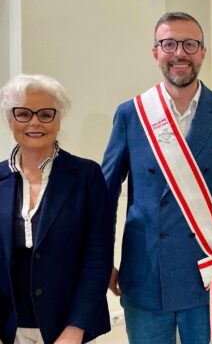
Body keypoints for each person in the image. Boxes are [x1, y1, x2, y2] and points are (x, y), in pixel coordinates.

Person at [102, 12, 212, 343]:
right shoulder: (131, 114)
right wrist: (102, 262)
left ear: (203, 53)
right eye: (169, 44)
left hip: (207, 276)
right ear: (155, 53)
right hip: (145, 274)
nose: (180, 53)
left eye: (190, 44)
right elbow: (104, 197)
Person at [0, 74, 113, 344]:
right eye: (23, 113)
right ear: (9, 120)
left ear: (58, 120)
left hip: (66, 329)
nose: (35, 122)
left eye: (45, 114)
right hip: (7, 328)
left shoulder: (86, 176)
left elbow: (97, 259)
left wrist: (76, 328)